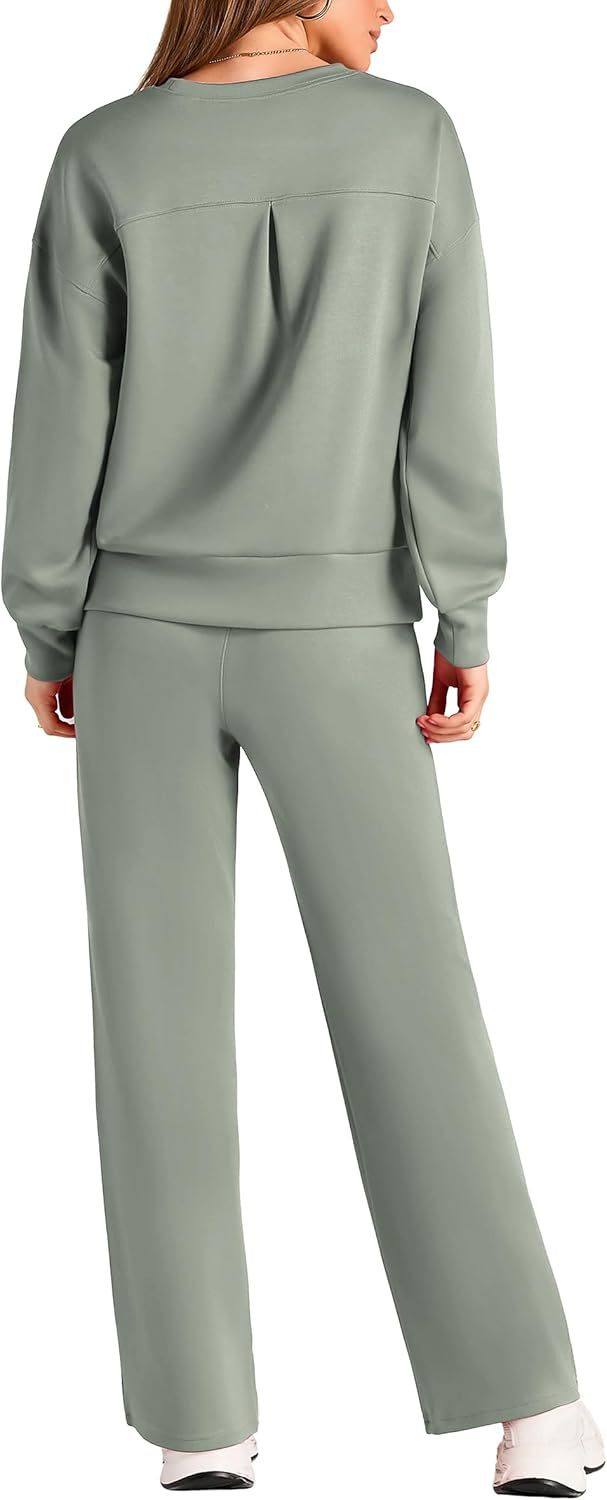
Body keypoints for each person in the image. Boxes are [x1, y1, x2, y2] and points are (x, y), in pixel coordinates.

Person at [2, 0, 603, 1493]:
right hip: (342, 635)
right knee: (416, 1007)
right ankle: (534, 1414)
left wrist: (49, 630)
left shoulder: (104, 154)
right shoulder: (410, 141)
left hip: (138, 638)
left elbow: (58, 418)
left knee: (153, 1030)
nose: (393, 6)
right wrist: (465, 609)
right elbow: (449, 398)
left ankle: (199, 1428)